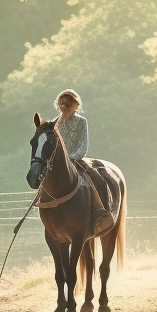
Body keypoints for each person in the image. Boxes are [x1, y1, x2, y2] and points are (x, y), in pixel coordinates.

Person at [54, 89, 116, 235]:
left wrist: (72, 158)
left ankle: (100, 211)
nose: (66, 107)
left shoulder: (81, 121)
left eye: (69, 103)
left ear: (76, 105)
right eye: (63, 104)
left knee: (94, 179)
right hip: (60, 162)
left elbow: (84, 145)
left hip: (77, 159)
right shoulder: (55, 123)